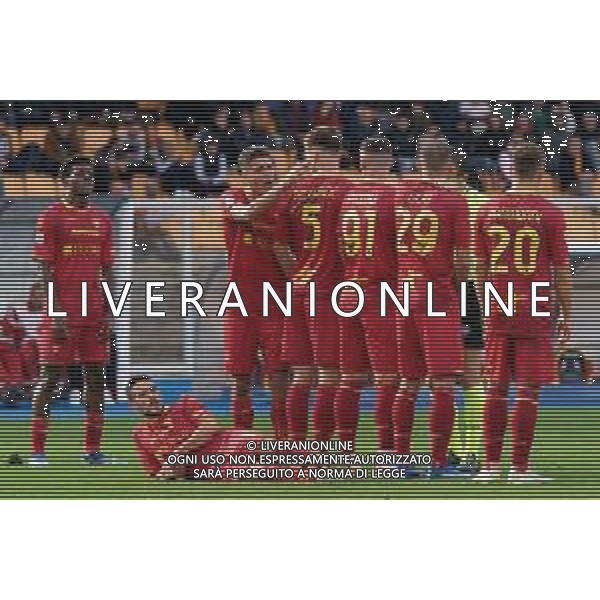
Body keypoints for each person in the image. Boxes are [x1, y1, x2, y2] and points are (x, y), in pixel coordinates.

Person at [474, 142, 572, 483]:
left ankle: (488, 468)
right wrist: (568, 314)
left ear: (509, 169)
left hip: (498, 302)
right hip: (535, 302)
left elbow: (480, 267)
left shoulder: (488, 210)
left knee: (495, 388)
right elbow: (561, 269)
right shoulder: (550, 212)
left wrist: (485, 304)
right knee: (528, 389)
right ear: (541, 169)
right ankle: (519, 469)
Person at [393, 141, 470, 476]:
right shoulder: (454, 200)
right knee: (443, 383)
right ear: (450, 162)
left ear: (420, 162)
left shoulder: (398, 197)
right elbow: (462, 259)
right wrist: (457, 283)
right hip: (437, 291)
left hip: (400, 292)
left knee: (408, 382)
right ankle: (438, 461)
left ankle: (398, 460)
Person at [30, 157, 113, 466]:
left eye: (90, 175)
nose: (86, 179)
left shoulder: (103, 218)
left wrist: (109, 310)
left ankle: (92, 451)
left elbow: (107, 269)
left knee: (95, 379)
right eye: (79, 174)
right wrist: (57, 312)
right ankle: (38, 452)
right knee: (51, 379)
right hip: (62, 311)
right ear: (63, 181)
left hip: (94, 312)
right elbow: (45, 270)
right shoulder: (50, 216)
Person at [222, 146, 290, 438]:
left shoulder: (288, 206)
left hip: (277, 301)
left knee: (280, 377)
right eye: (259, 168)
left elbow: (291, 261)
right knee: (240, 378)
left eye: (270, 167)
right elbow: (244, 214)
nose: (267, 173)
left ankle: (284, 443)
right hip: (241, 303)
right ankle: (241, 443)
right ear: (243, 174)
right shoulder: (231, 197)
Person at [336, 137, 399, 450]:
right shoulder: (394, 196)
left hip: (349, 290)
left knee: (350, 380)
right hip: (381, 291)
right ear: (389, 162)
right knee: (389, 378)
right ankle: (388, 452)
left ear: (362, 164)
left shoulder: (349, 197)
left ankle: (343, 451)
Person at [128, 375, 256, 479]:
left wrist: (180, 451)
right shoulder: (140, 434)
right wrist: (171, 472)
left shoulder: (185, 404)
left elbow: (210, 425)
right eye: (143, 395)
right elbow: (157, 472)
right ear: (133, 405)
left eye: (153, 390)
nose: (151, 396)